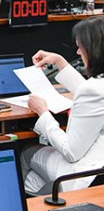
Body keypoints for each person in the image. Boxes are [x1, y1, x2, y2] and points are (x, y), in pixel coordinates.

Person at [23, 16, 104, 194]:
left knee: (25, 153)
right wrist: (60, 62)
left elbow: (71, 151)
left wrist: (43, 113)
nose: (77, 53)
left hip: (88, 175)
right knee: (36, 181)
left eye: (80, 48)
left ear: (93, 51)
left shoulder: (92, 91)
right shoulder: (96, 88)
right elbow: (95, 93)